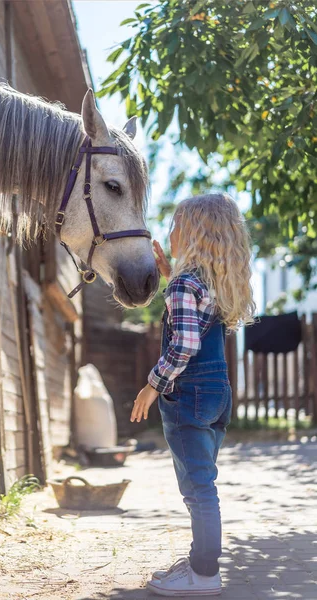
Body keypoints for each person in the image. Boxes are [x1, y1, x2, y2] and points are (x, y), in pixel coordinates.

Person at [131, 193, 255, 597]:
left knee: (198, 488)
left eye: (175, 225)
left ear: (194, 233)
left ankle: (204, 573)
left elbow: (184, 344)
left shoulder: (185, 284)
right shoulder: (211, 284)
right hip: (217, 395)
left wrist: (153, 384)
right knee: (203, 482)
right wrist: (171, 277)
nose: (169, 232)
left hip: (189, 395)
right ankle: (200, 558)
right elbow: (198, 325)